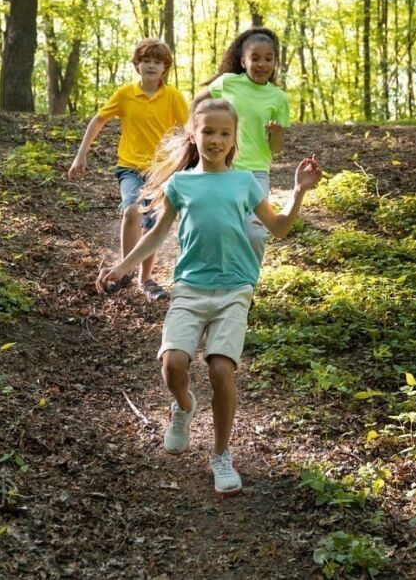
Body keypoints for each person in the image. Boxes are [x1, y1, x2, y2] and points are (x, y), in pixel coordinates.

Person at [98, 99, 321, 495]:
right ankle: (183, 407)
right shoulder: (181, 184)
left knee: (221, 369)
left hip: (235, 287)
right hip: (189, 287)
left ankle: (220, 454)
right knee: (172, 363)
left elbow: (280, 227)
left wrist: (299, 191)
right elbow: (157, 234)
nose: (216, 139)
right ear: (193, 135)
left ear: (234, 139)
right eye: (208, 132)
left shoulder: (244, 182)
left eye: (224, 133)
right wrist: (123, 266)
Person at [67, 38, 189, 301]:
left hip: (162, 171)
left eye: (157, 62)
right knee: (132, 210)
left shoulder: (173, 97)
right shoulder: (125, 95)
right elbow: (99, 119)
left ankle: (146, 279)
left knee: (154, 224)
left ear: (165, 67)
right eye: (146, 61)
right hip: (130, 167)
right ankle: (124, 270)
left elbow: (189, 130)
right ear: (137, 65)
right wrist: (81, 154)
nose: (151, 66)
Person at [193, 27, 290, 261]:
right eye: (255, 58)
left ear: (275, 62)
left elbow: (276, 149)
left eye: (268, 58)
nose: (262, 64)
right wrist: (193, 132)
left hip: (256, 173)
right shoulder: (228, 82)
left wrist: (276, 133)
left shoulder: (278, 98)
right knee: (220, 229)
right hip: (222, 167)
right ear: (243, 61)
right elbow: (198, 102)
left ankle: (248, 286)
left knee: (255, 234)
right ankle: (218, 277)